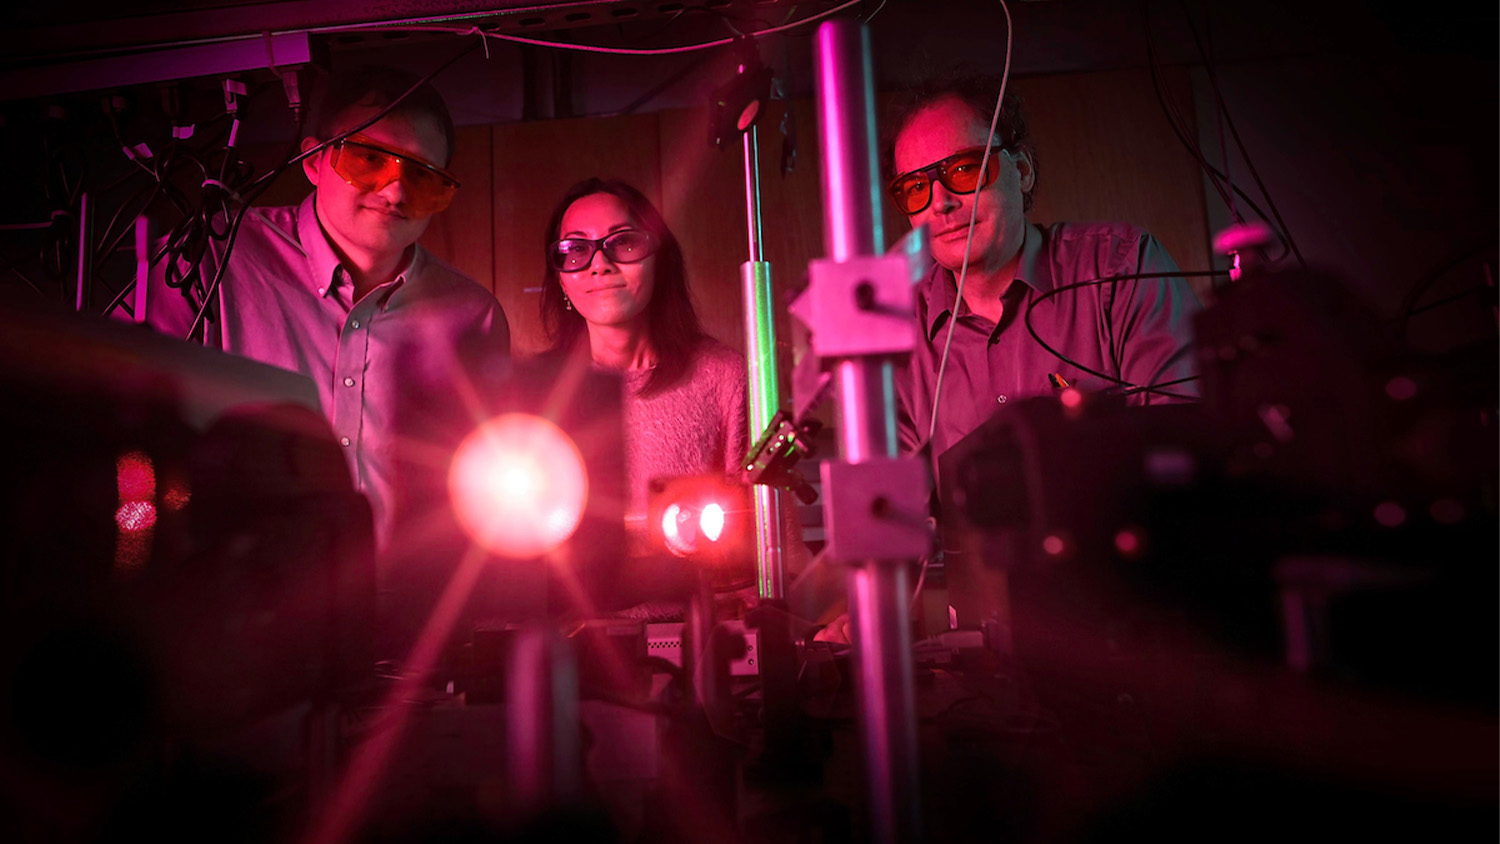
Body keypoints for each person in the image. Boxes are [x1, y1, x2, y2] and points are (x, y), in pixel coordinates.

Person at [137, 65, 511, 557]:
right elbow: (136, 432)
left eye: (421, 175)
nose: (395, 191)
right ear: (313, 160)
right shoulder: (209, 261)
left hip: (405, 611)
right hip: (235, 600)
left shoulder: (470, 315)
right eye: (370, 159)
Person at [885, 71, 1202, 465]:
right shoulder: (893, 333)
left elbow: (1188, 450)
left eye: (964, 169)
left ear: (1021, 171)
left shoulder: (1122, 270)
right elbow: (897, 507)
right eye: (916, 187)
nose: (940, 203)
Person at [539, 178, 749, 553]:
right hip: (575, 613)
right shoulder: (536, 392)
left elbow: (769, 545)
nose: (599, 264)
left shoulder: (724, 377)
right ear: (561, 281)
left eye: (624, 242)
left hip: (703, 610)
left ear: (660, 260)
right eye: (574, 250)